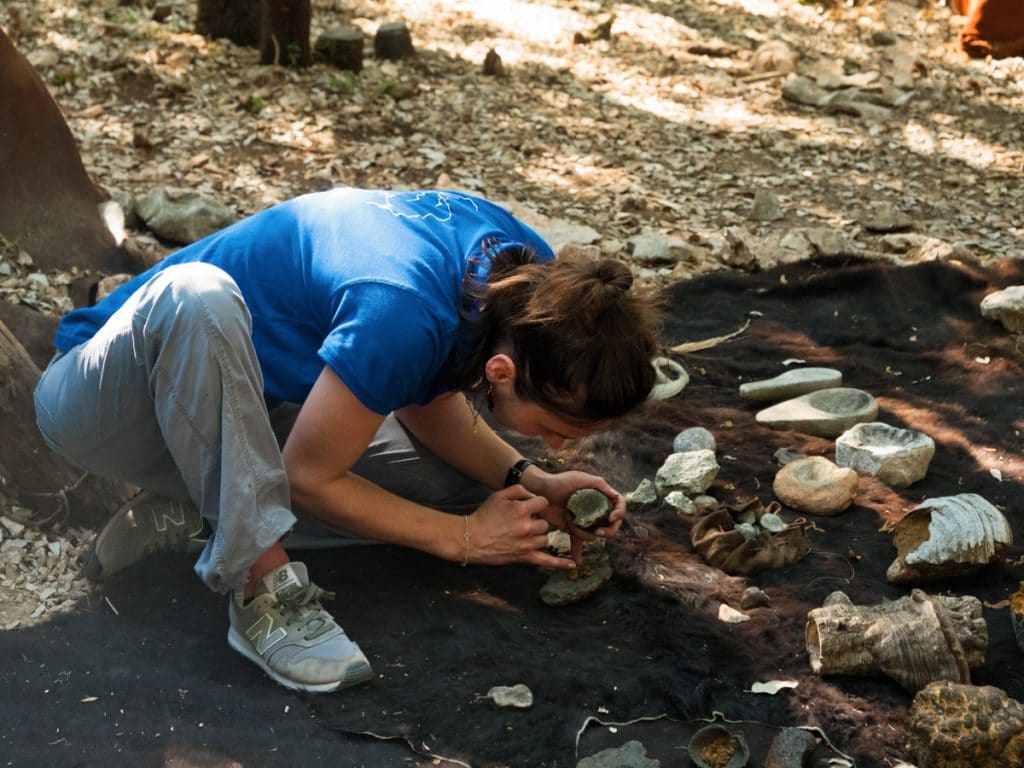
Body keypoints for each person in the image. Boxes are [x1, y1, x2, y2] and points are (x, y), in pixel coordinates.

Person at [33, 188, 661, 694]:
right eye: (554, 430)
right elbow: (309, 474)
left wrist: (529, 480)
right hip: (104, 397)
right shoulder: (403, 305)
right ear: (502, 372)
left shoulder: (528, 282)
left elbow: (426, 393)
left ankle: (199, 517)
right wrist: (465, 539)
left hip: (244, 405)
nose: (554, 443)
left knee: (465, 483)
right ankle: (259, 585)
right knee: (198, 297)